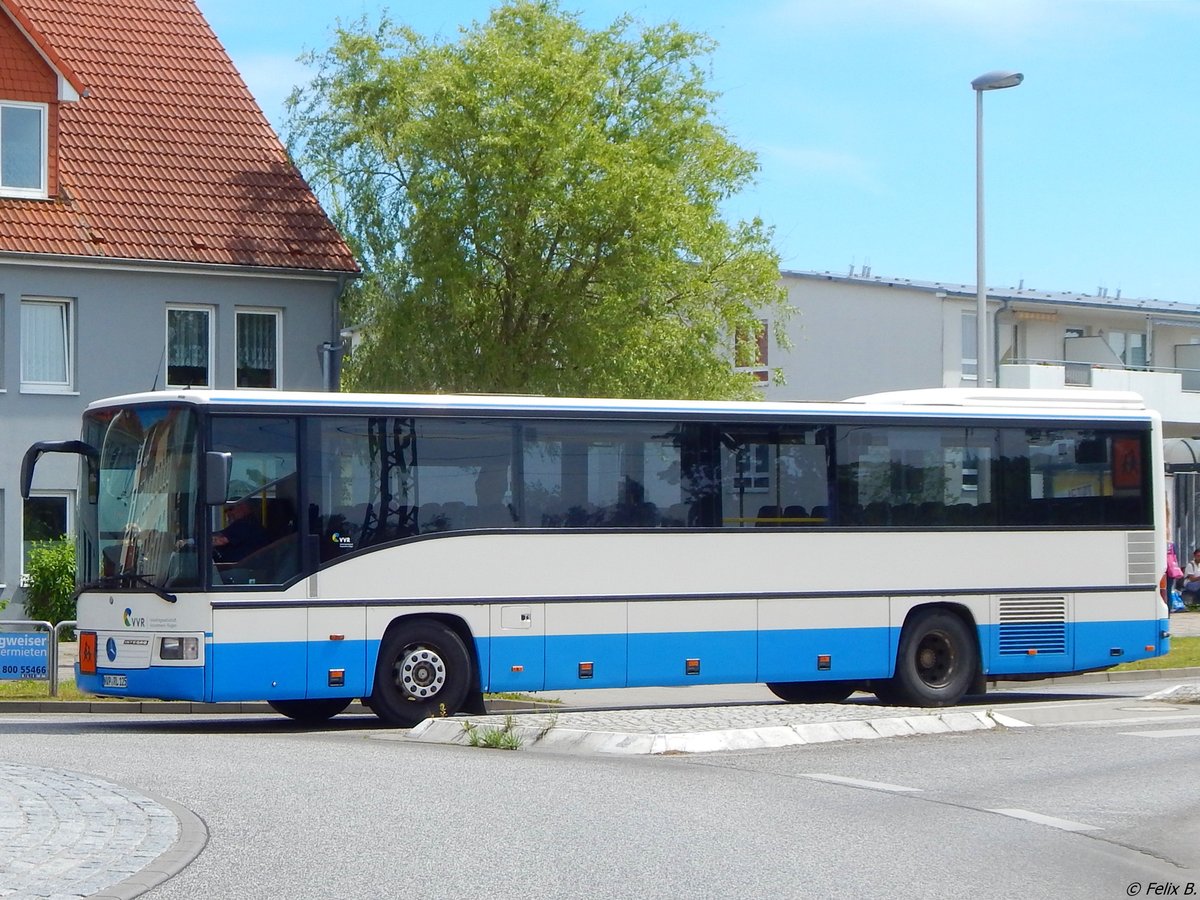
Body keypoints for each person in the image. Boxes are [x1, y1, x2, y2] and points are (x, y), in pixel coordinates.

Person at [211, 499, 269, 564]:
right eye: (226, 511)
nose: (228, 513)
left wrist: (201, 538)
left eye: (231, 509)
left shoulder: (245, 524)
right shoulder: (249, 524)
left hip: (242, 569)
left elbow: (220, 540)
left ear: (243, 507)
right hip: (242, 567)